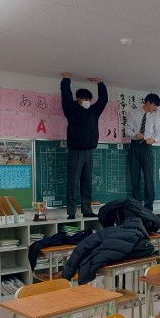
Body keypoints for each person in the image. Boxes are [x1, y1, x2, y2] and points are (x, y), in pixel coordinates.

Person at [60, 72, 108, 219]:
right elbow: (65, 96)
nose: (87, 101)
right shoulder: (71, 109)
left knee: (87, 182)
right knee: (73, 182)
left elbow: (103, 100)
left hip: (89, 152)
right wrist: (66, 80)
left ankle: (87, 210)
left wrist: (100, 84)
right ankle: (71, 212)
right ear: (78, 99)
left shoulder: (94, 111)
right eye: (85, 99)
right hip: (75, 151)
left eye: (89, 99)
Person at [124, 93, 160, 210]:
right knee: (134, 177)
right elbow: (127, 130)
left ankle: (149, 206)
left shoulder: (155, 116)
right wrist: (135, 134)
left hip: (147, 146)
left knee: (148, 177)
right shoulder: (134, 113)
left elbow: (159, 132)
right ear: (148, 102)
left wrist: (154, 139)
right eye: (154, 105)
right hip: (135, 145)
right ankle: (137, 206)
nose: (155, 108)